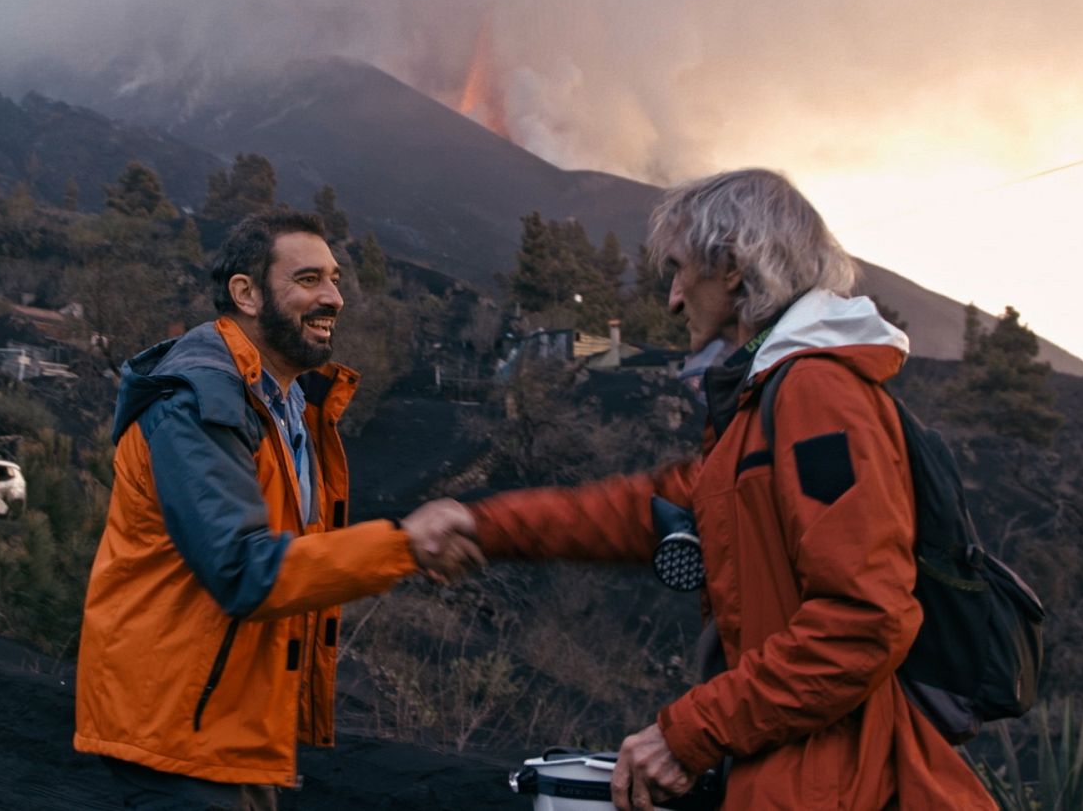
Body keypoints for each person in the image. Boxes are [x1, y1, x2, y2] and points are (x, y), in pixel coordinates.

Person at [413, 169, 996, 810]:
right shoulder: (765, 403)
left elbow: (865, 619)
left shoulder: (817, 395)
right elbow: (646, 510)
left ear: (734, 268)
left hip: (834, 786)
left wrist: (689, 734)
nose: (671, 299)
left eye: (678, 269)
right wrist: (483, 525)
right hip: (800, 776)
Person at [73, 211, 479, 810]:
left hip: (232, 730)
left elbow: (294, 560)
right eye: (308, 279)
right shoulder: (198, 404)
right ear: (247, 293)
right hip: (179, 737)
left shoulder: (285, 404)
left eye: (335, 279)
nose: (334, 297)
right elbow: (244, 569)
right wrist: (401, 545)